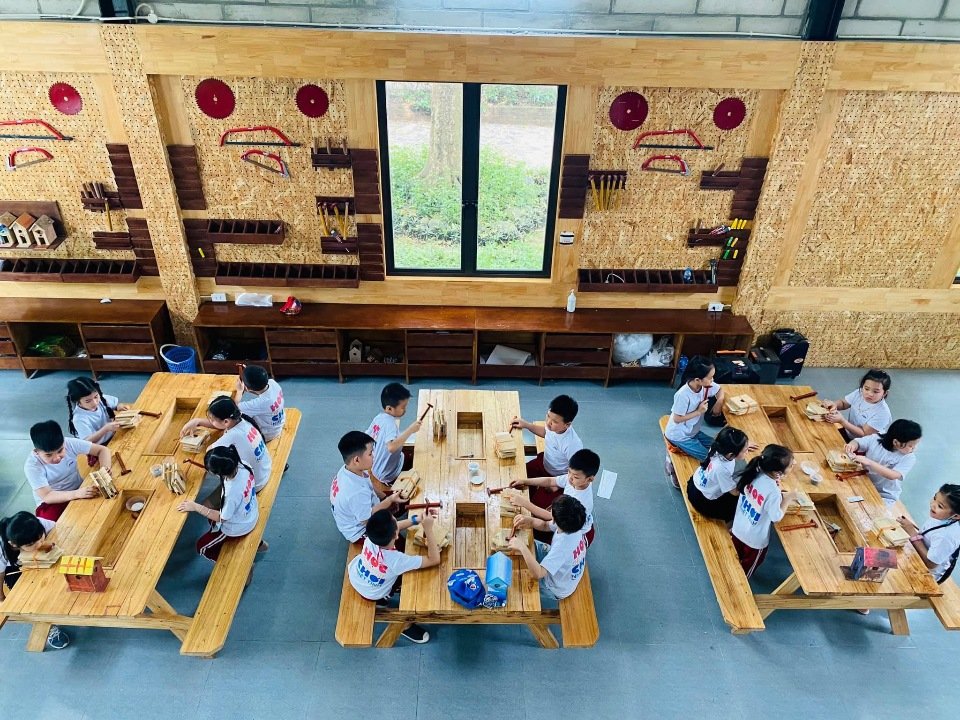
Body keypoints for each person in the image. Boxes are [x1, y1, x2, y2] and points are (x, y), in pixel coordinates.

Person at [348, 508, 440, 643]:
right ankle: (405, 625)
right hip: (373, 593)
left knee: (391, 567)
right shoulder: (396, 561)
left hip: (356, 575)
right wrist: (428, 530)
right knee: (417, 579)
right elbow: (434, 560)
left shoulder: (371, 538)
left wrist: (417, 519)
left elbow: (394, 528)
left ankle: (382, 601)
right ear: (395, 535)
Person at [178, 445, 265, 562]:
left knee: (202, 547)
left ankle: (231, 564)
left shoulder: (231, 492)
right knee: (211, 519)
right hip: (250, 512)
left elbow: (222, 518)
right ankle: (260, 544)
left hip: (239, 526)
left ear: (220, 473)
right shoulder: (244, 465)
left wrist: (196, 507)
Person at [0, 511, 70, 649]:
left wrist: (48, 544)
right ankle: (47, 626)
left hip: (39, 559)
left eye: (40, 538)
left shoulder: (36, 524)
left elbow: (57, 531)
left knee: (59, 576)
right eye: (31, 544)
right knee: (28, 598)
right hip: (13, 568)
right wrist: (1, 598)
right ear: (13, 544)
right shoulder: (1, 547)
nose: (38, 543)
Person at [508, 448, 599, 547]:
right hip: (568, 516)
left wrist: (525, 503)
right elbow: (551, 481)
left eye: (575, 477)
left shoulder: (580, 502)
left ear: (590, 479)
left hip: (578, 533)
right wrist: (525, 481)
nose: (570, 478)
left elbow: (549, 520)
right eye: (569, 472)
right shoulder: (576, 479)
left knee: (540, 542)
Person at [730, 444, 797, 578]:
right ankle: (740, 582)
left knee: (734, 557)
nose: (794, 464)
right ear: (777, 472)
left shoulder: (754, 471)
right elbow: (776, 517)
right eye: (791, 465)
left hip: (738, 528)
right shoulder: (773, 492)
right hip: (754, 541)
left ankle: (732, 574)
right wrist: (788, 498)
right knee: (745, 570)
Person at [181, 396, 272, 493]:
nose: (210, 421)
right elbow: (221, 425)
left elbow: (209, 451)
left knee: (216, 464)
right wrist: (198, 421)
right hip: (265, 469)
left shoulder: (232, 436)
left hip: (255, 483)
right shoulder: (240, 418)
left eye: (212, 419)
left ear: (226, 421)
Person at [25, 420, 111, 522]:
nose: (57, 458)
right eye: (48, 455)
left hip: (79, 488)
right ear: (36, 452)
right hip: (53, 500)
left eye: (60, 451)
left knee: (102, 509)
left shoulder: (68, 443)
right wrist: (76, 494)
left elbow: (102, 450)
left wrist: (104, 470)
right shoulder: (32, 466)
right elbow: (47, 496)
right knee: (51, 525)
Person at [509, 494, 588, 601]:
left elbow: (538, 573)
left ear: (554, 519)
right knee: (528, 546)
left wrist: (522, 547)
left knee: (515, 583)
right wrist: (530, 521)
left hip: (556, 588)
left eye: (551, 512)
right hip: (565, 572)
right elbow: (545, 525)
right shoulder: (575, 525)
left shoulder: (562, 546)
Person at [330, 431, 403, 543]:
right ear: (357, 460)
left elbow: (369, 485)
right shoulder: (355, 492)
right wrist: (388, 501)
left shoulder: (351, 469)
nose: (373, 455)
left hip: (362, 508)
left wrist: (385, 498)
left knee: (401, 498)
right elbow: (367, 520)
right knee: (397, 539)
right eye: (370, 453)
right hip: (360, 530)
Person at [511, 394, 583, 507]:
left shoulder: (572, 444)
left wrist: (557, 485)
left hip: (557, 477)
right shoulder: (552, 427)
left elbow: (577, 472)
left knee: (538, 504)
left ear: (567, 425)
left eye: (554, 421)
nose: (549, 422)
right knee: (518, 477)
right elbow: (545, 433)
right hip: (543, 464)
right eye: (548, 416)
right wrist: (527, 425)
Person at [687, 427, 757, 523]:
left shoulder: (719, 446)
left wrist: (743, 444)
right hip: (702, 500)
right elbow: (735, 492)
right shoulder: (722, 469)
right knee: (742, 503)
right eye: (745, 451)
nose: (747, 452)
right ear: (731, 454)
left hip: (695, 483)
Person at [663, 356, 726, 463]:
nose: (713, 380)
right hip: (679, 435)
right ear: (697, 380)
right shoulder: (683, 395)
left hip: (692, 431)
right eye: (710, 378)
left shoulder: (705, 386)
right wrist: (698, 412)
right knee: (710, 459)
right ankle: (672, 460)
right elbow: (677, 419)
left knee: (720, 447)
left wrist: (719, 401)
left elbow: (720, 389)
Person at [844, 419, 921, 505]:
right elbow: (858, 442)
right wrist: (852, 446)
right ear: (896, 442)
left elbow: (893, 475)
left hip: (885, 495)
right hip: (863, 482)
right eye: (911, 446)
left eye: (916, 445)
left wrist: (869, 462)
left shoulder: (909, 457)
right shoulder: (876, 438)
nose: (914, 448)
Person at [897, 484, 960, 584]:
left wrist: (912, 533)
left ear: (956, 516)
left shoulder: (947, 536)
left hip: (926, 575)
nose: (933, 504)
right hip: (918, 553)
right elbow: (930, 533)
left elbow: (931, 564)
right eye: (935, 498)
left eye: (940, 506)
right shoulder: (941, 516)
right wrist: (912, 529)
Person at [366, 383, 421, 490]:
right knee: (421, 467)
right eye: (403, 407)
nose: (405, 410)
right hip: (389, 474)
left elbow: (367, 436)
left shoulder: (379, 418)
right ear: (389, 408)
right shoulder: (390, 423)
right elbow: (391, 447)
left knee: (412, 453)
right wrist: (410, 430)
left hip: (376, 468)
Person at [821, 369, 892, 440]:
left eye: (876, 392)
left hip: (863, 444)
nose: (870, 394)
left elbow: (864, 433)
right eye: (866, 389)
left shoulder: (883, 413)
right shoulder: (859, 393)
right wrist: (834, 404)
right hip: (848, 433)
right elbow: (843, 403)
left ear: (885, 393)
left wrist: (842, 421)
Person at [65, 376, 129, 445]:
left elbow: (116, 405)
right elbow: (87, 441)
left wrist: (119, 406)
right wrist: (105, 429)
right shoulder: (79, 418)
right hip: (99, 446)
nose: (95, 402)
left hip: (113, 436)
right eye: (88, 401)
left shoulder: (100, 398)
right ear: (77, 401)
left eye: (96, 397)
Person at [236, 364, 285, 442]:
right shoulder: (273, 383)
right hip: (277, 425)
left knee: (234, 421)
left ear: (248, 388)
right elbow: (259, 390)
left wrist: (239, 391)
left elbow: (233, 408)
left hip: (267, 434)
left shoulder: (259, 404)